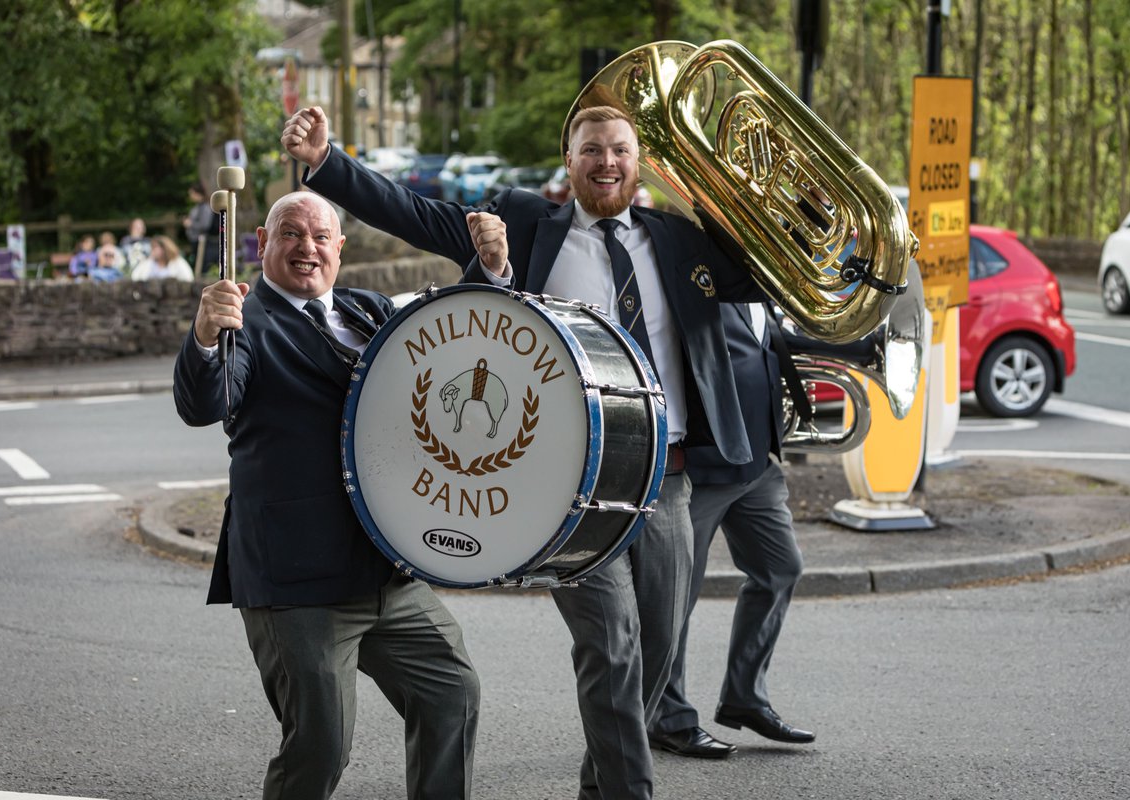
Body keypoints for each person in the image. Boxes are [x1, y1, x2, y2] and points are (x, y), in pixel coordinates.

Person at [283, 103, 767, 800]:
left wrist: (803, 216)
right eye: (592, 149)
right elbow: (409, 211)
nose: (607, 161)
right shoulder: (520, 224)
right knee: (612, 645)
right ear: (567, 162)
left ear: (640, 163)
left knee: (656, 650)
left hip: (667, 479)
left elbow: (764, 275)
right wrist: (328, 162)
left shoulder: (679, 238)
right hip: (562, 489)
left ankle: (602, 787)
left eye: (620, 150)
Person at [172, 191, 480, 800]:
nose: (307, 247)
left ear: (341, 247)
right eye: (292, 233)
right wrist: (206, 336)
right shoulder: (243, 323)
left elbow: (453, 346)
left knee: (452, 693)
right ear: (262, 242)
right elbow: (204, 403)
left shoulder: (370, 310)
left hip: (388, 568)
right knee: (321, 745)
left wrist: (490, 272)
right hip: (296, 577)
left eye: (320, 236)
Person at [648, 302, 814, 759]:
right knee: (676, 596)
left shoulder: (766, 290)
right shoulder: (705, 280)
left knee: (781, 569)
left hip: (757, 464)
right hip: (705, 467)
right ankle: (668, 716)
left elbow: (767, 349)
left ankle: (745, 696)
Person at [182, 183, 219, 275]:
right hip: (195, 240)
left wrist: (190, 224)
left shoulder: (205, 207)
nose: (190, 196)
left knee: (202, 265)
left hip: (203, 242)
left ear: (197, 193)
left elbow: (205, 225)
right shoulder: (198, 206)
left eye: (191, 193)